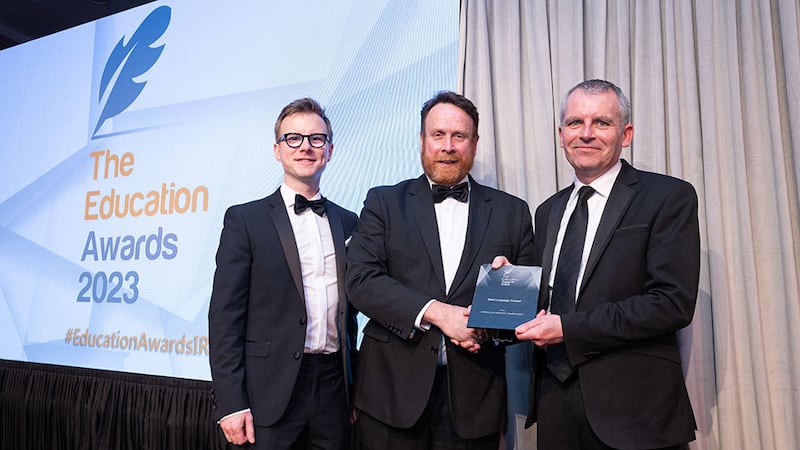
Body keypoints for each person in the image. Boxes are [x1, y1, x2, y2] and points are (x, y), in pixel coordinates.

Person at [515, 79, 700, 449]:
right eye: (574, 123)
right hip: (556, 405)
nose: (585, 134)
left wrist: (568, 328)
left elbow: (671, 303)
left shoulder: (668, 196)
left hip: (635, 410)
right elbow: (548, 302)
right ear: (561, 134)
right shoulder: (547, 211)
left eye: (601, 123)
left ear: (626, 134)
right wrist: (508, 283)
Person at [345, 91, 535, 449]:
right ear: (422, 141)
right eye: (438, 135)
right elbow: (361, 281)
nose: (448, 146)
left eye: (459, 136)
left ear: (474, 144)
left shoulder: (513, 212)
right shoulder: (383, 203)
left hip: (474, 403)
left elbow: (521, 320)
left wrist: (498, 312)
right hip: (389, 399)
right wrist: (439, 314)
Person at [208, 98, 358, 449]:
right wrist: (231, 403)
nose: (306, 146)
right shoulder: (245, 220)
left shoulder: (350, 222)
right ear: (277, 150)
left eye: (316, 139)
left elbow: (352, 313)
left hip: (336, 390)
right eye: (293, 138)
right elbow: (224, 317)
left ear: (330, 150)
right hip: (268, 394)